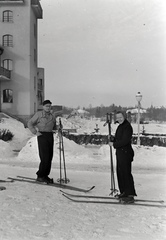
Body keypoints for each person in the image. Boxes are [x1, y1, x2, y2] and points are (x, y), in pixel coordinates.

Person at [109, 111, 137, 204]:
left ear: (124, 117)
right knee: (120, 173)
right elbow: (119, 139)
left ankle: (130, 195)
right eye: (117, 117)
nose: (119, 119)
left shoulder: (127, 127)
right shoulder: (120, 126)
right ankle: (124, 192)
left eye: (121, 117)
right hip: (120, 153)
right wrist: (113, 139)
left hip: (125, 153)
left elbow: (125, 141)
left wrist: (114, 144)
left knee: (126, 173)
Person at [28, 100, 57, 183]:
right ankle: (40, 176)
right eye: (47, 106)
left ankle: (45, 175)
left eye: (49, 106)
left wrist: (58, 127)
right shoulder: (38, 114)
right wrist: (35, 132)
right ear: (43, 107)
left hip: (50, 136)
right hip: (42, 136)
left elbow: (54, 127)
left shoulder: (52, 116)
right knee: (44, 157)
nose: (48, 108)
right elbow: (30, 123)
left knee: (49, 157)